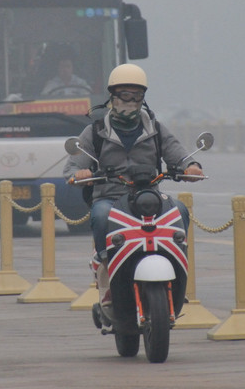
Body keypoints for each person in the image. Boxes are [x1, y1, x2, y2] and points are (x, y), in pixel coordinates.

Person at [63, 63, 204, 306]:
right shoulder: (95, 131)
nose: (130, 101)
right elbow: (71, 169)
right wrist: (81, 174)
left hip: (149, 197)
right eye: (124, 95)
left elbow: (179, 155)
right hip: (110, 198)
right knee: (100, 214)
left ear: (143, 98)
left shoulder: (155, 129)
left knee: (180, 209)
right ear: (112, 96)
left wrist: (191, 167)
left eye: (136, 95)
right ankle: (107, 278)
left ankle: (178, 276)